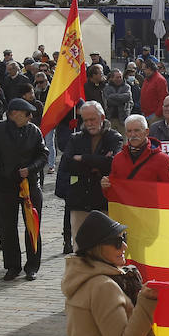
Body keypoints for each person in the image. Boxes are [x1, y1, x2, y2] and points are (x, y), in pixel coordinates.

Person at [0, 98, 49, 282]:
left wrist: (31, 169)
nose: (29, 117)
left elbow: (44, 154)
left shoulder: (34, 130)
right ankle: (13, 266)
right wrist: (1, 172)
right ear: (13, 114)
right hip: (5, 186)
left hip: (29, 186)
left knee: (32, 226)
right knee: (7, 228)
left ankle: (32, 266)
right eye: (26, 114)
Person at [58, 101, 123, 245]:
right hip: (80, 200)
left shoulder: (114, 137)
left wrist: (83, 158)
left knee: (104, 245)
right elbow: (68, 163)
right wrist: (97, 162)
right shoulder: (76, 138)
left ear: (102, 117)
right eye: (85, 120)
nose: (89, 123)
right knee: (80, 246)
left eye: (92, 119)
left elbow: (113, 163)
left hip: (103, 200)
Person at [102, 115, 169, 186]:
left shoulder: (162, 159)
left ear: (146, 132)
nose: (133, 135)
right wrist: (106, 186)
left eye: (137, 130)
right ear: (126, 134)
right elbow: (114, 190)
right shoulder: (118, 159)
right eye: (129, 131)